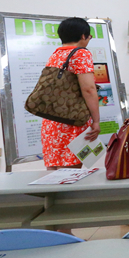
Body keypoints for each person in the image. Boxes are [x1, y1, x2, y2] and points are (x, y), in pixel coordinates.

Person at [40, 18, 101, 170]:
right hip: (72, 121)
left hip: (52, 121)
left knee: (53, 172)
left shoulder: (56, 54)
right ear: (83, 36)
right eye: (89, 36)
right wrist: (96, 121)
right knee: (70, 174)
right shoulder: (81, 53)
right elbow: (88, 89)